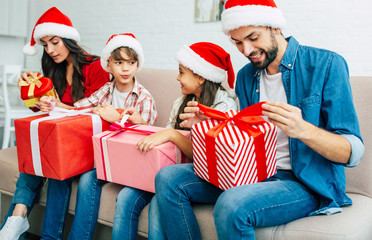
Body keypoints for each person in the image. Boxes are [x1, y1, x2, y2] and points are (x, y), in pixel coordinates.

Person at [150, 0, 365, 239]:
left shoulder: (326, 65)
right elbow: (242, 137)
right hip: (252, 171)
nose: (246, 50)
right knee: (168, 178)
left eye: (253, 38)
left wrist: (304, 130)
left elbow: (352, 152)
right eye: (238, 42)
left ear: (274, 27)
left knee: (231, 203)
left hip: (304, 182)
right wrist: (211, 122)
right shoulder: (246, 76)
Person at [0, 7, 110, 240]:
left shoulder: (95, 66)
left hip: (83, 141)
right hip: (59, 139)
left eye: (55, 42)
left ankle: (31, 229)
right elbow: (39, 107)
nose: (50, 50)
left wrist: (59, 107)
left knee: (57, 170)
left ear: (68, 39)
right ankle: (16, 221)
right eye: (45, 45)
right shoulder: (53, 68)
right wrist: (29, 90)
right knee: (32, 161)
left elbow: (97, 114)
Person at [112, 42, 237, 240]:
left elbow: (207, 156)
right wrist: (145, 125)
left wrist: (173, 135)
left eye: (181, 72)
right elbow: (164, 139)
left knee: (157, 205)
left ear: (200, 76)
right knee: (126, 196)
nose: (177, 78)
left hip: (203, 175)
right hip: (168, 167)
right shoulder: (182, 101)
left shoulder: (224, 106)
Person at [42, 33, 157, 240]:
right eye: (119, 62)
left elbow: (148, 135)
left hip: (130, 159)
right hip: (105, 157)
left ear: (137, 65)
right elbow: (78, 109)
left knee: (88, 179)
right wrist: (55, 105)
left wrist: (120, 117)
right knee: (73, 173)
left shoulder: (143, 97)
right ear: (108, 66)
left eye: (131, 62)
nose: (125, 68)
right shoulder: (105, 91)